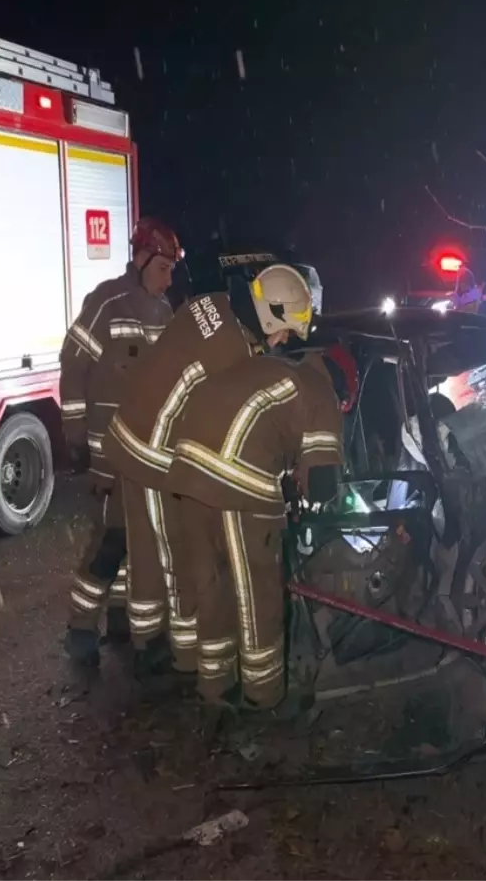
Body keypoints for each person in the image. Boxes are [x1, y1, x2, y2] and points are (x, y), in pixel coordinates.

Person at [103, 263, 319, 674]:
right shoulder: (232, 353)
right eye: (285, 330)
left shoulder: (214, 303)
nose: (283, 340)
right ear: (269, 314)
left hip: (131, 428)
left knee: (147, 548)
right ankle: (178, 660)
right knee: (177, 554)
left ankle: (148, 641)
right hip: (154, 452)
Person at [163, 298, 356, 710]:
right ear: (343, 389)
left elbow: (264, 433)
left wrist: (289, 477)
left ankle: (215, 687)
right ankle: (263, 697)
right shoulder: (321, 391)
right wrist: (312, 499)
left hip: (184, 473)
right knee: (258, 594)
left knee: (212, 586)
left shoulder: (275, 370)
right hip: (237, 483)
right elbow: (322, 486)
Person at [62, 217, 182, 666]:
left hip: (144, 454)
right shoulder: (106, 303)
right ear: (142, 259)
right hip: (107, 455)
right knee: (110, 541)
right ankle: (80, 628)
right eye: (163, 268)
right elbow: (73, 362)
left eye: (172, 270)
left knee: (137, 541)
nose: (168, 279)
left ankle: (118, 620)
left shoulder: (165, 312)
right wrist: (74, 434)